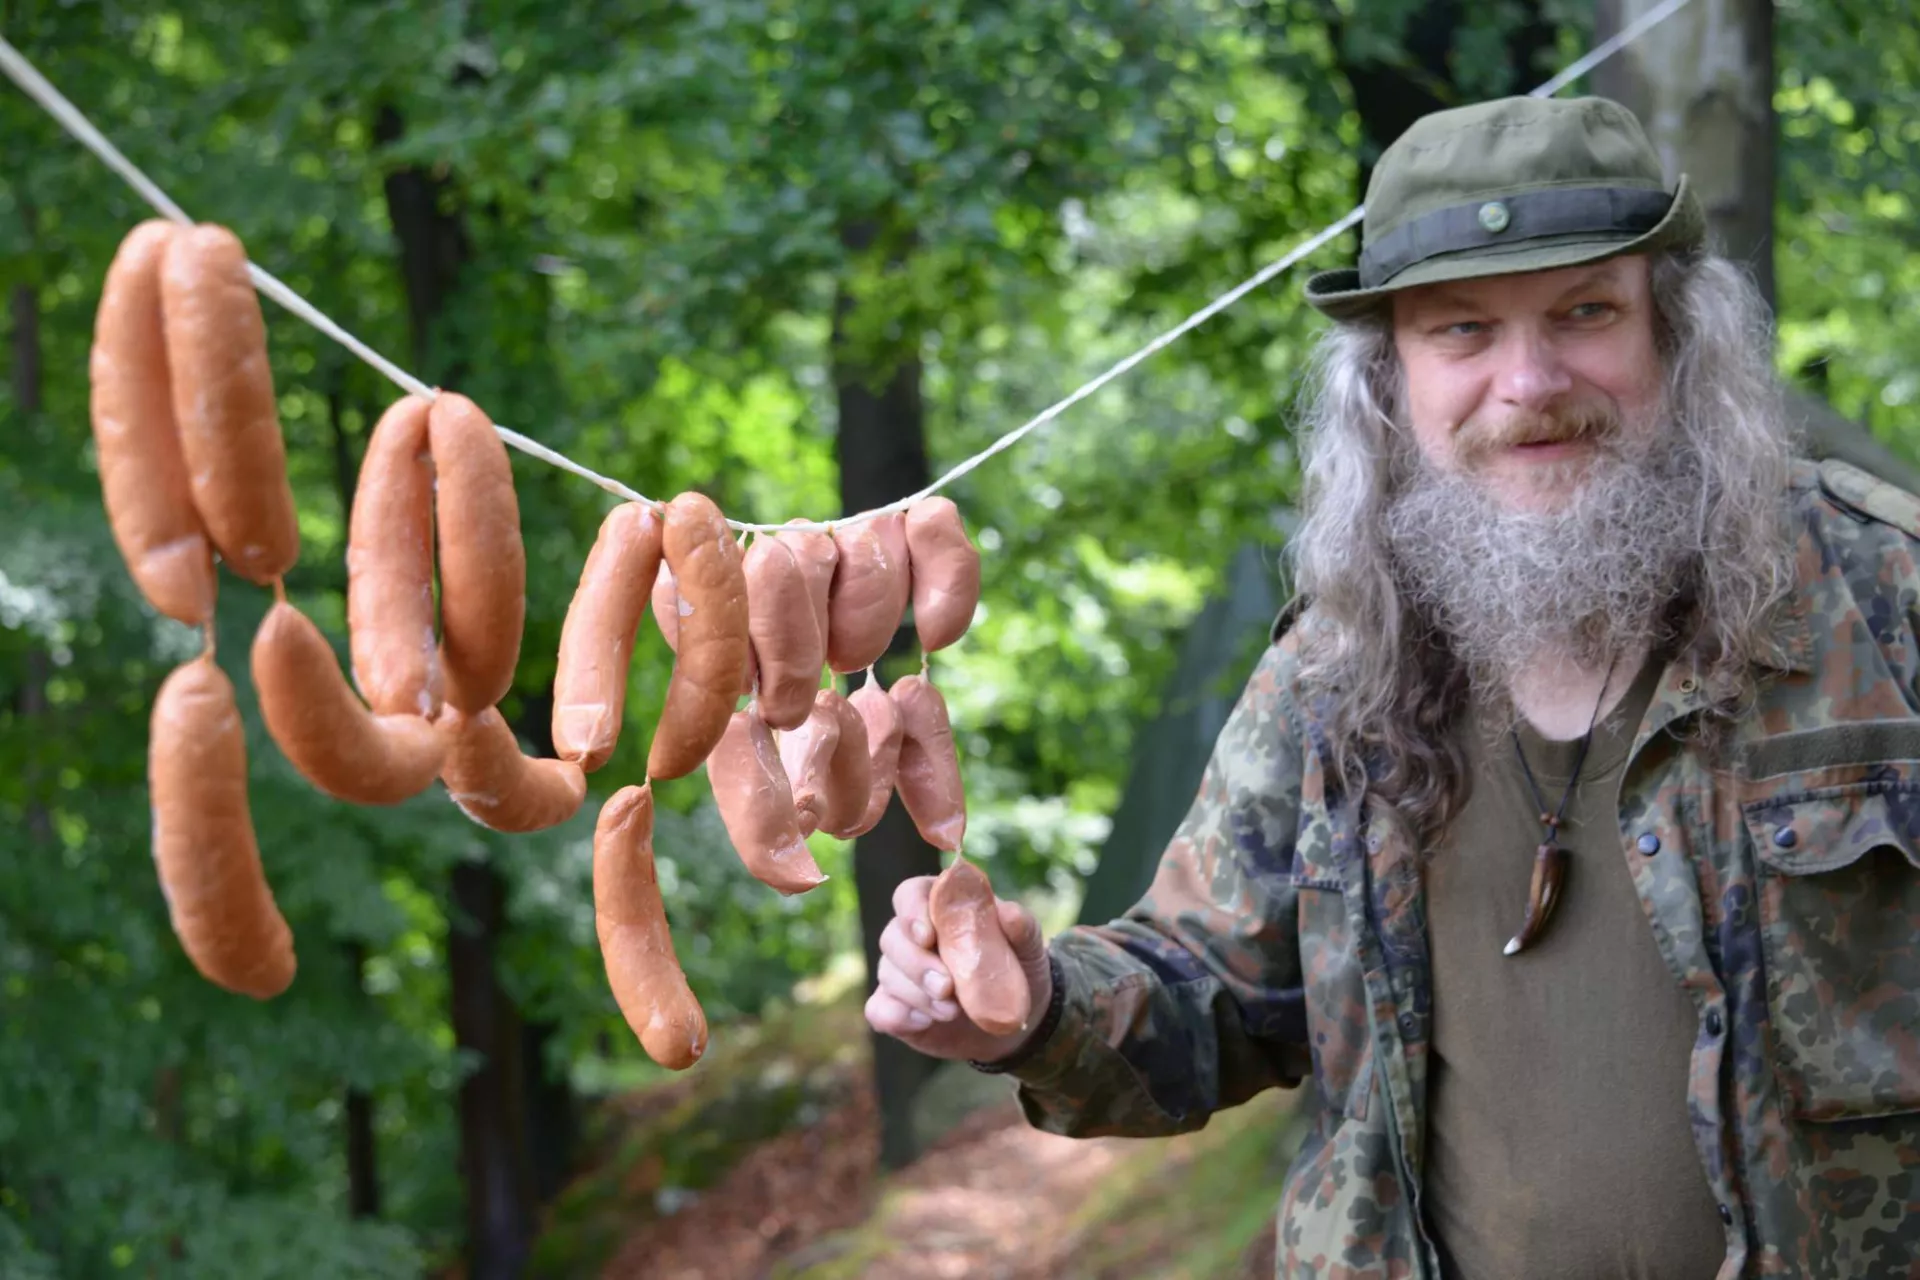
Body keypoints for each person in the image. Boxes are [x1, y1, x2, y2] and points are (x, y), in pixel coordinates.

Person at [865, 93, 1920, 1278]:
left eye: (1583, 312)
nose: (1528, 381)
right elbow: (1204, 987)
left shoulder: (1878, 597)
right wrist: (1032, 1004)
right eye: (1461, 332)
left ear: (1671, 335)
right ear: (1391, 385)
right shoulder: (1337, 669)